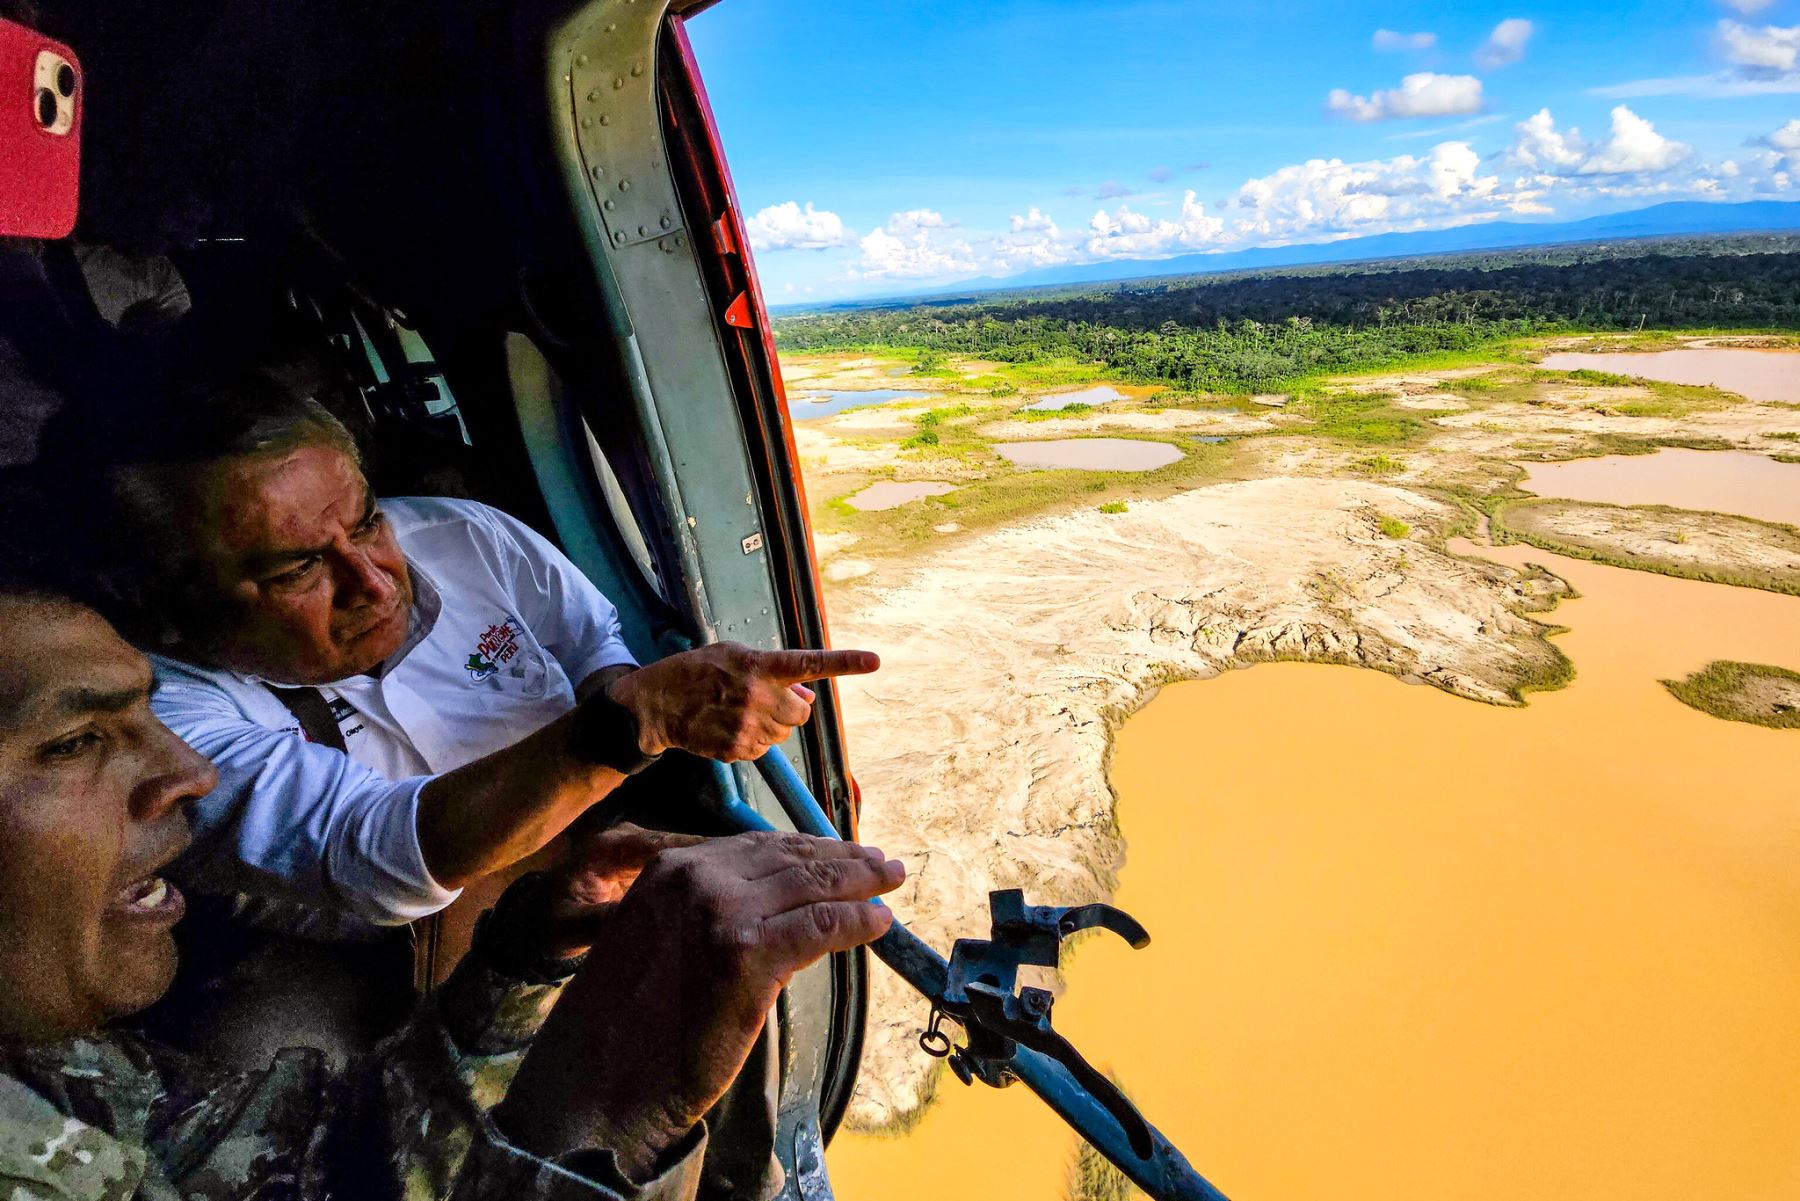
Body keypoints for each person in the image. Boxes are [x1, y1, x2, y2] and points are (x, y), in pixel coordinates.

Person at [0, 585, 905, 1201]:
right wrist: (612, 1119)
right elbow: (379, 850)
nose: (190, 774)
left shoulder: (57, 1068)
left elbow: (322, 1161)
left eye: (364, 522)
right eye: (75, 743)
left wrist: (517, 963)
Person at [85, 376, 878, 924]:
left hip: (595, 840)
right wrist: (632, 722)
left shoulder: (461, 534)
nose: (372, 580)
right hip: (392, 954)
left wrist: (634, 706)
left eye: (363, 522)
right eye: (298, 568)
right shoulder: (162, 713)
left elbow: (588, 640)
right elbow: (375, 853)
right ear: (175, 607)